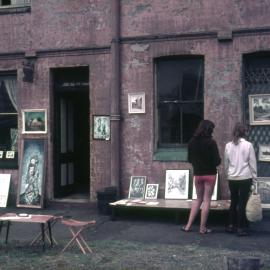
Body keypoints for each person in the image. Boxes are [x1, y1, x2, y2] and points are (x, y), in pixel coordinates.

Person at [182, 119, 221, 234]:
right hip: (210, 175)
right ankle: (202, 228)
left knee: (197, 199)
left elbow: (189, 159)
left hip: (198, 174)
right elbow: (217, 161)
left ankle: (188, 226)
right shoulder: (211, 142)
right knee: (207, 200)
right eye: (212, 129)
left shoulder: (191, 142)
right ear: (209, 130)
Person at [224, 122, 257, 236]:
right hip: (245, 177)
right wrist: (255, 179)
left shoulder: (228, 145)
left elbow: (226, 164)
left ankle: (231, 225)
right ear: (245, 132)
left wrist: (228, 174)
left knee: (233, 201)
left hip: (232, 178)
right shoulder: (248, 145)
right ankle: (241, 228)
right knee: (243, 203)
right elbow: (252, 164)